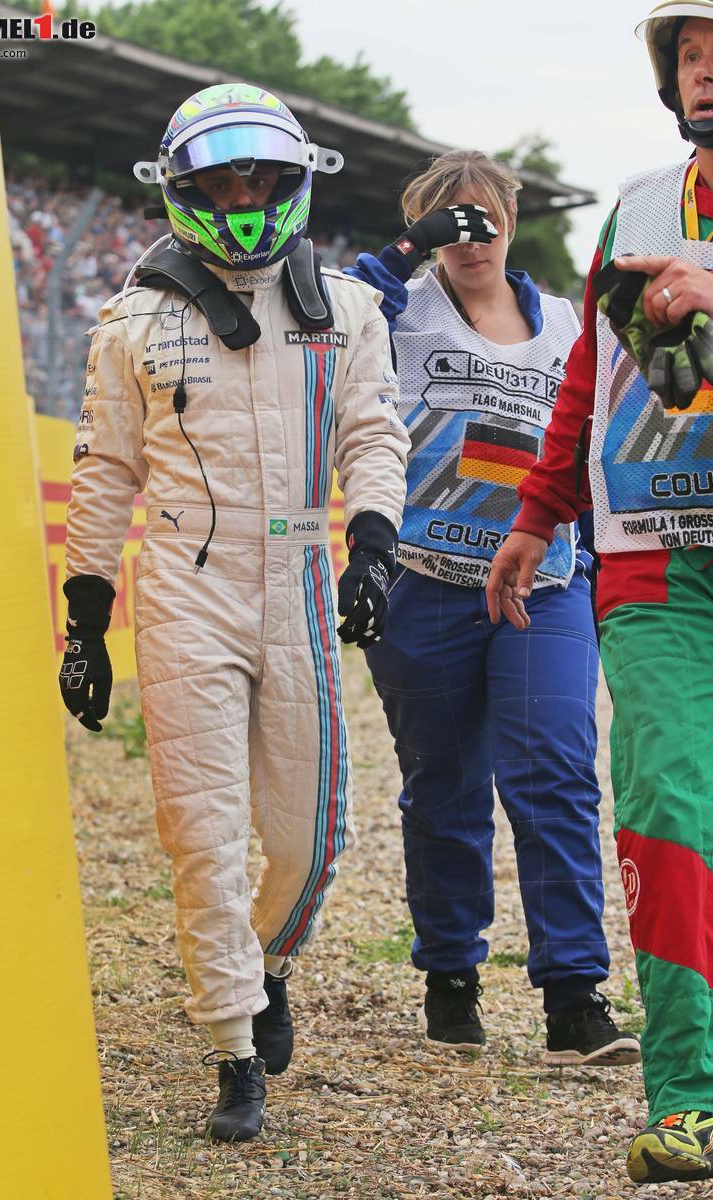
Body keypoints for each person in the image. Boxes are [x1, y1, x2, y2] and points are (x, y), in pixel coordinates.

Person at [58, 82, 410, 1142]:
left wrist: (373, 548)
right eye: (220, 182)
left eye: (259, 179)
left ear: (293, 180)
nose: (242, 199)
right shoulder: (131, 320)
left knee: (314, 836)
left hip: (300, 572)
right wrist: (85, 623)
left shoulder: (349, 310)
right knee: (201, 832)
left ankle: (267, 963)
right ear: (183, 189)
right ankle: (233, 1047)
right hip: (182, 584)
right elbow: (103, 474)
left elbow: (372, 437)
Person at [346, 151, 640, 1068]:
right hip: (423, 582)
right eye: (447, 222)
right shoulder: (394, 309)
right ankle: (450, 974)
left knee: (555, 772)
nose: (469, 238)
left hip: (542, 584)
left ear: (511, 220)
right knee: (444, 787)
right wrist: (409, 249)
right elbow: (327, 313)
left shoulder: (562, 322)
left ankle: (573, 996)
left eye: (482, 218)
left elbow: (603, 426)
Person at [486, 3, 713, 1183]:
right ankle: (691, 1096)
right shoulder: (632, 207)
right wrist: (538, 512)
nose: (704, 69)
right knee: (667, 801)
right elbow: (590, 370)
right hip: (655, 560)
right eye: (690, 52)